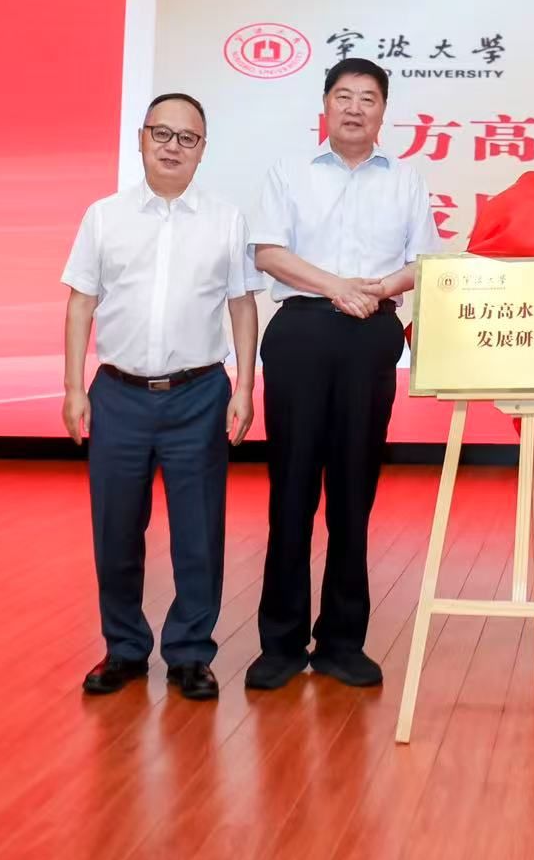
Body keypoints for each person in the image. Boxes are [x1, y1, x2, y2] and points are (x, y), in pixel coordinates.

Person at [244, 58, 439, 691]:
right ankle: (280, 643)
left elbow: (424, 262)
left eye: (368, 98)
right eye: (344, 96)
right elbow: (268, 251)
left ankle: (342, 642)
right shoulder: (289, 172)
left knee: (355, 492)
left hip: (371, 334)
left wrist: (376, 290)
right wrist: (337, 287)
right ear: (325, 106)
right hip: (300, 330)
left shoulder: (405, 181)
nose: (355, 108)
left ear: (384, 111)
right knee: (291, 489)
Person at [62, 92, 261, 702]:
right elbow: (81, 303)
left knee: (199, 534)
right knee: (116, 531)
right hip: (117, 395)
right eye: (162, 134)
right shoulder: (104, 217)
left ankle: (190, 653)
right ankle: (124, 648)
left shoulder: (226, 220)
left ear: (203, 150)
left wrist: (244, 387)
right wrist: (73, 388)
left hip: (198, 394)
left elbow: (242, 305)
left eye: (187, 138)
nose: (173, 147)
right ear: (141, 138)